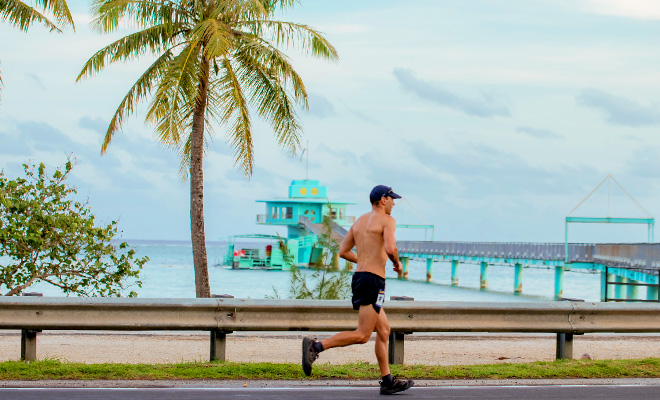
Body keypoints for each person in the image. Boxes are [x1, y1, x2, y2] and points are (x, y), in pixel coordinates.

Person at [302, 185, 414, 395]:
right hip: (373, 281)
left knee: (383, 330)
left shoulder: (359, 222)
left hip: (361, 278)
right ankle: (315, 347)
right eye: (392, 199)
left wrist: (362, 260)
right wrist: (398, 264)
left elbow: (343, 251)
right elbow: (390, 248)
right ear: (383, 199)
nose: (394, 203)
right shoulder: (388, 221)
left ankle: (387, 380)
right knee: (363, 335)